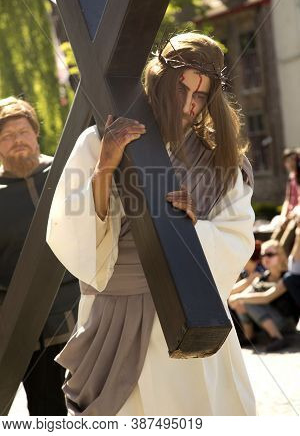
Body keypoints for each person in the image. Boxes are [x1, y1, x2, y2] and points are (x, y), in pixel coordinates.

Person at [46, 32, 256, 416]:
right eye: (182, 91)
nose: (190, 105)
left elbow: (237, 238)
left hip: (192, 318)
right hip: (114, 320)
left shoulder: (221, 159)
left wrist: (191, 235)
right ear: (158, 81)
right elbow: (67, 230)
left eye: (200, 96)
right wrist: (106, 166)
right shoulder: (99, 141)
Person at [0, 96, 80, 415]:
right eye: (7, 136)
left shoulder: (66, 174)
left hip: (81, 316)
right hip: (28, 332)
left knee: (100, 408)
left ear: (36, 134)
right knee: (47, 412)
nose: (17, 140)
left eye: (23, 131)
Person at [229, 235, 300, 352]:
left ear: (281, 256)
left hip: (287, 322)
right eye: (263, 255)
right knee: (242, 302)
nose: (266, 258)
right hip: (270, 318)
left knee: (246, 301)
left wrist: (239, 297)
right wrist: (239, 295)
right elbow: (242, 294)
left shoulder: (287, 277)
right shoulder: (263, 276)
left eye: (270, 255)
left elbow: (266, 298)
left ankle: (277, 337)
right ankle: (250, 337)